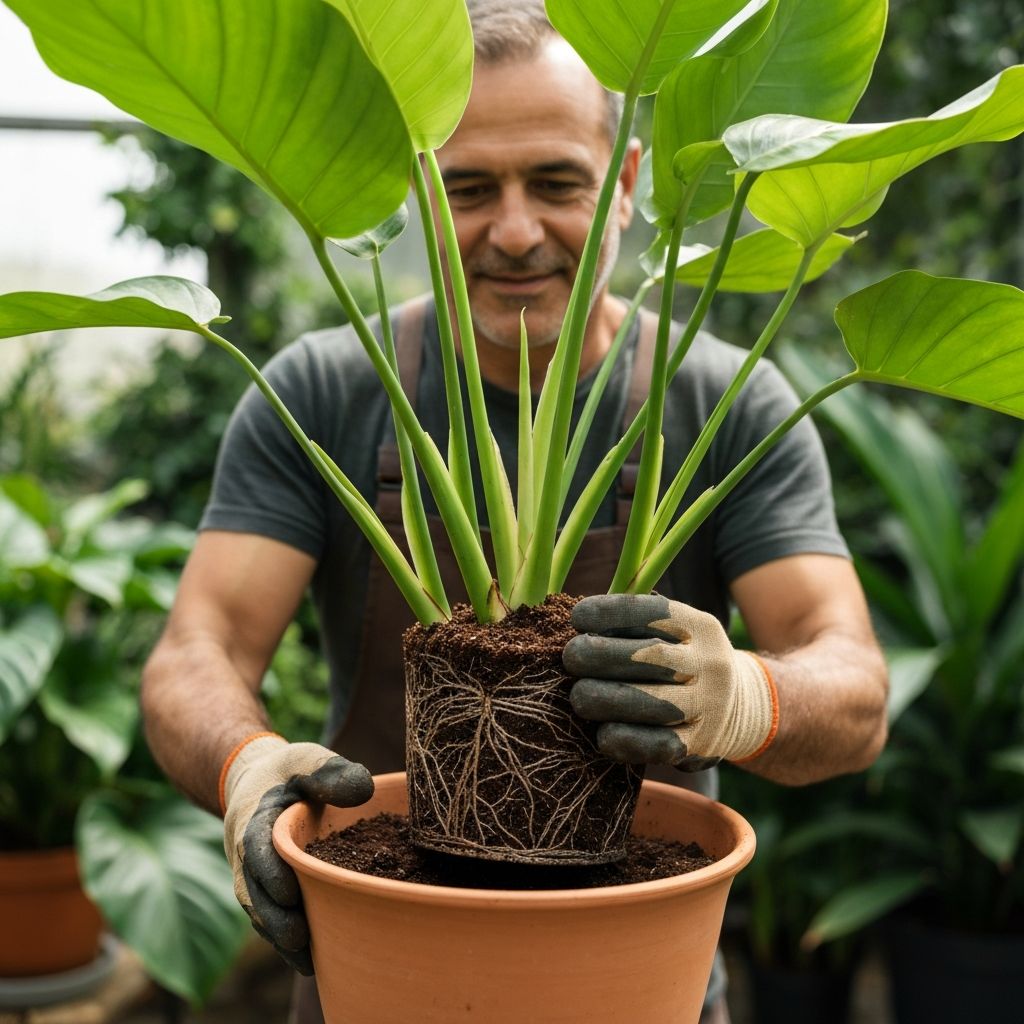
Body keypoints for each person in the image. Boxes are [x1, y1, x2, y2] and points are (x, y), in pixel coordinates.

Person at [140, 2, 889, 1022]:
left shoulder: (727, 398)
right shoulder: (322, 386)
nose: (517, 230)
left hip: (638, 956)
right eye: (469, 188)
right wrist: (246, 764)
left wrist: (746, 695)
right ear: (420, 194)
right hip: (380, 952)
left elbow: (850, 684)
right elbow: (201, 645)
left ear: (625, 185)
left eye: (557, 182)